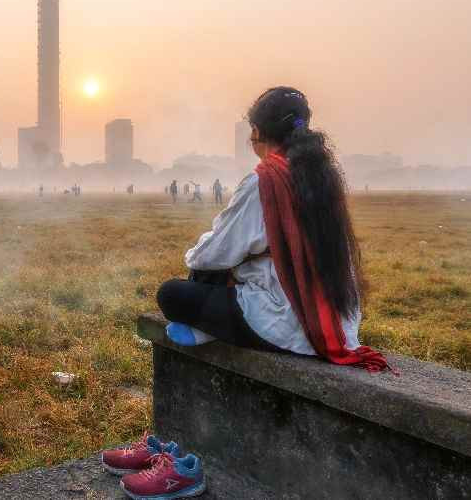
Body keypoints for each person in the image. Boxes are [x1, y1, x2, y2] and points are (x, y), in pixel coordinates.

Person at [156, 86, 390, 368]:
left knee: (172, 293)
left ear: (257, 132)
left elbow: (212, 255)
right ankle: (207, 329)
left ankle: (205, 331)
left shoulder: (265, 179)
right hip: (340, 321)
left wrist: (199, 250)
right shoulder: (324, 175)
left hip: (285, 322)